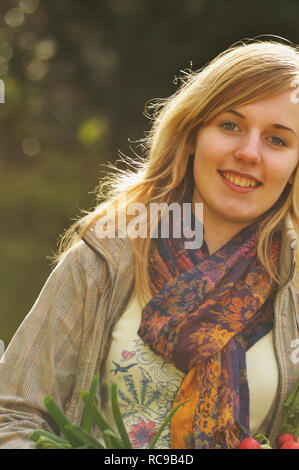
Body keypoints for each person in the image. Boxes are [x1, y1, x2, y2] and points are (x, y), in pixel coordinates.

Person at [0, 39, 299, 450]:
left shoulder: (295, 282)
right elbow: (11, 414)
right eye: (230, 125)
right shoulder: (107, 255)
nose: (248, 152)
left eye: (277, 140)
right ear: (193, 132)